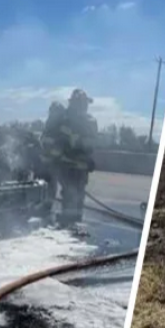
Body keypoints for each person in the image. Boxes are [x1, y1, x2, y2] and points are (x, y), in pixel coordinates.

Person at [57, 89, 98, 227]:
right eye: (81, 103)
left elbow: (91, 143)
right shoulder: (66, 120)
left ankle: (73, 223)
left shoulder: (89, 121)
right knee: (69, 196)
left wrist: (88, 157)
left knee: (77, 197)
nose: (84, 106)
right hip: (68, 167)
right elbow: (64, 142)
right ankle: (68, 224)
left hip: (80, 168)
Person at [39, 101, 67, 215]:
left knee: (53, 188)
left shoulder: (60, 126)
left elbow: (61, 144)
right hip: (48, 162)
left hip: (54, 162)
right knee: (48, 188)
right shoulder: (50, 124)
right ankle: (45, 209)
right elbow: (44, 141)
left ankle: (47, 209)